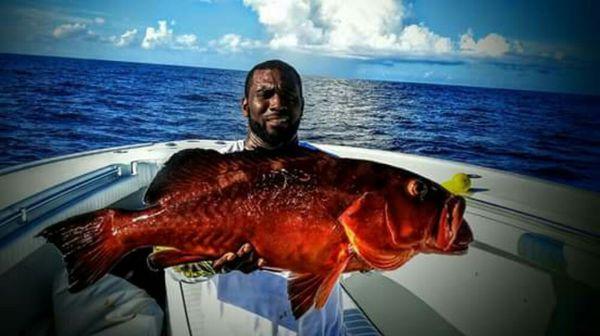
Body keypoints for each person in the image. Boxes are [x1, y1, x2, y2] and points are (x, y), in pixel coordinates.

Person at [167, 60, 346, 335]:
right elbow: (171, 263)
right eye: (265, 94)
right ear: (245, 105)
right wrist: (209, 261)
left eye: (289, 96)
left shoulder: (336, 173)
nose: (277, 103)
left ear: (302, 105)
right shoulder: (211, 174)